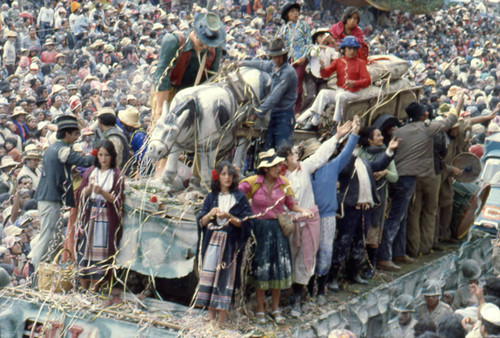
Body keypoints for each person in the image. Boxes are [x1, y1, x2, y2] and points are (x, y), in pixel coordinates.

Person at [276, 120, 352, 317]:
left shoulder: (305, 167)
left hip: (309, 220)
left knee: (306, 258)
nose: (297, 155)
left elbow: (321, 155)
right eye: (293, 154)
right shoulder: (280, 179)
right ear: (285, 160)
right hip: (289, 223)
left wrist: (337, 136)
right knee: (289, 258)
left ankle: (297, 301)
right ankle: (283, 298)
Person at [377, 101, 458, 271]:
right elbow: (450, 122)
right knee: (396, 217)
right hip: (406, 179)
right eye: (425, 113)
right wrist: (459, 103)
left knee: (404, 216)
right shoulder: (426, 128)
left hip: (401, 176)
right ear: (422, 116)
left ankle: (399, 253)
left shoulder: (399, 131)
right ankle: (384, 257)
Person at [239, 149, 313, 324]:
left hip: (278, 231)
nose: (279, 168)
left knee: (278, 269)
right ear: (265, 168)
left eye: (280, 164)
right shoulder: (252, 183)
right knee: (261, 270)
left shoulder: (284, 183)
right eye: (275, 165)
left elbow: (291, 204)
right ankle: (259, 308)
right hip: (260, 231)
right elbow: (238, 195)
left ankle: (275, 308)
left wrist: (303, 211)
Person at [328, 130, 399, 289]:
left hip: (365, 210)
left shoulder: (364, 161)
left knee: (360, 243)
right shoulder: (341, 162)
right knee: (343, 244)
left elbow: (379, 164)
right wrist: (351, 153)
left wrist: (389, 151)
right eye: (351, 144)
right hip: (351, 210)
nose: (356, 146)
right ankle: (333, 278)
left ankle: (353, 274)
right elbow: (345, 171)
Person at [31, 115, 95, 272]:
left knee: (51, 236)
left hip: (47, 197)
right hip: (50, 199)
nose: (76, 138)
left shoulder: (52, 148)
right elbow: (85, 162)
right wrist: (98, 151)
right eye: (75, 135)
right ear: (67, 134)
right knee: (46, 236)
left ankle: (42, 271)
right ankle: (33, 273)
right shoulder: (63, 150)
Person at [195, 161, 252, 325]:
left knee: (225, 278)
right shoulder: (211, 198)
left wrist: (230, 218)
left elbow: (245, 222)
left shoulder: (239, 198)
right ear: (217, 177)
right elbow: (202, 222)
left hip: (229, 245)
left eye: (230, 175)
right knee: (211, 277)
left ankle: (221, 320)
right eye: (223, 174)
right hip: (212, 243)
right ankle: (210, 318)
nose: (227, 178)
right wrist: (210, 214)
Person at [310, 116, 360, 303]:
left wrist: (354, 132)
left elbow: (346, 153)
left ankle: (321, 290)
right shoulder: (304, 171)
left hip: (328, 216)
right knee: (308, 255)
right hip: (308, 217)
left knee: (325, 253)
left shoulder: (331, 167)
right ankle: (306, 290)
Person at [153, 12, 225, 122]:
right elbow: (162, 76)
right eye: (202, 43)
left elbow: (212, 78)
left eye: (208, 44)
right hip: (169, 92)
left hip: (195, 95)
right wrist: (160, 109)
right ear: (195, 33)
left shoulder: (215, 47)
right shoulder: (174, 42)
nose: (205, 47)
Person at [74, 140, 125, 291]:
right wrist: (90, 188)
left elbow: (118, 200)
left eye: (107, 155)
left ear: (112, 156)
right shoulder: (91, 172)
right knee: (85, 249)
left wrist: (102, 192)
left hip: (104, 218)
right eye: (101, 155)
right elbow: (80, 194)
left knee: (100, 253)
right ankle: (83, 286)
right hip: (89, 215)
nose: (103, 159)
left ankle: (95, 287)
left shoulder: (117, 175)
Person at [297, 35, 371, 128]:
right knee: (323, 93)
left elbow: (367, 80)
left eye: (354, 49)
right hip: (340, 91)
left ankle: (337, 124)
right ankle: (314, 122)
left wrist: (354, 83)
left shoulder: (360, 63)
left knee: (340, 96)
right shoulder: (338, 61)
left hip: (354, 93)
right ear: (344, 49)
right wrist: (323, 68)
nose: (352, 51)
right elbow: (325, 74)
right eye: (349, 48)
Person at [241, 37, 298, 150]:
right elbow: (260, 64)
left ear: (284, 55)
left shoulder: (288, 73)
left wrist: (257, 114)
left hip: (285, 115)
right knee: (268, 149)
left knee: (282, 151)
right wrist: (241, 63)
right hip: (274, 114)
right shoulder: (273, 66)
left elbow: (274, 97)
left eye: (279, 56)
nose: (277, 59)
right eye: (274, 57)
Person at [358, 126, 398, 279]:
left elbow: (395, 177)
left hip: (379, 201)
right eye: (378, 136)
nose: (381, 138)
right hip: (362, 199)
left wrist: (385, 172)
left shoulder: (385, 155)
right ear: (369, 140)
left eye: (381, 135)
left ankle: (370, 267)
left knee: (374, 234)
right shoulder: (361, 154)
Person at [278, 2, 311, 114]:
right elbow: (279, 44)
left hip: (300, 59)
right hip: (287, 60)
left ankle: (295, 111)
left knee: (297, 83)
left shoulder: (304, 25)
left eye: (296, 11)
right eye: (292, 11)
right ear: (287, 15)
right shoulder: (283, 29)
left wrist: (305, 56)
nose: (295, 13)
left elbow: (309, 43)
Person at [301, 27, 338, 118]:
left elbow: (337, 57)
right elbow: (313, 54)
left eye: (325, 36)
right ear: (316, 39)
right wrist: (320, 45)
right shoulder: (313, 48)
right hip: (312, 76)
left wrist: (334, 45)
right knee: (311, 95)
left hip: (323, 78)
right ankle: (301, 113)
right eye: (320, 36)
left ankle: (315, 117)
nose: (323, 38)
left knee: (322, 95)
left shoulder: (330, 50)